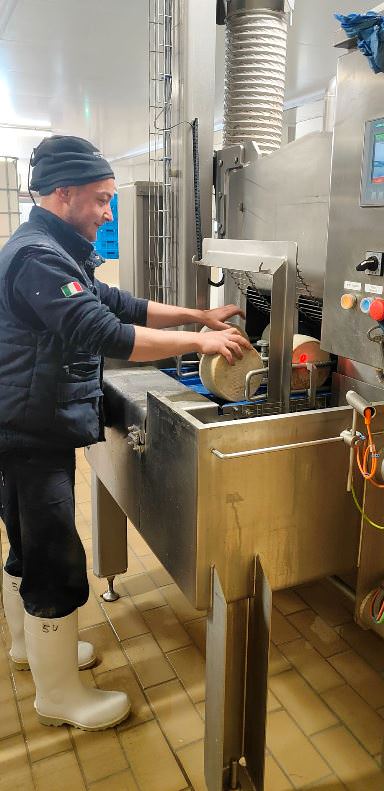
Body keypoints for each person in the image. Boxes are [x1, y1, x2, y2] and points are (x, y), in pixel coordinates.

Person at [0, 135, 250, 731]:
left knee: (27, 543)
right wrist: (202, 343)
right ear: (64, 195)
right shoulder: (38, 257)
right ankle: (59, 697)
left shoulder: (55, 248)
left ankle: (31, 649)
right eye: (100, 201)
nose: (108, 213)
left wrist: (198, 315)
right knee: (55, 556)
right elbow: (105, 332)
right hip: (27, 434)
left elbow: (122, 303)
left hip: (24, 425)